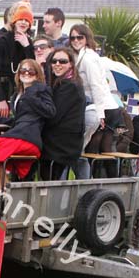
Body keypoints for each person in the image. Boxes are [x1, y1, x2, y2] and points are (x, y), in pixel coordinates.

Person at [0, 59, 55, 201]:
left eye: (30, 71)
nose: (26, 73)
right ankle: (4, 189)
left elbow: (51, 111)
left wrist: (31, 96)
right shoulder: (17, 94)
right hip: (19, 133)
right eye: (23, 70)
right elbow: (18, 120)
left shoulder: (40, 89)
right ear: (18, 73)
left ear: (37, 74)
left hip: (28, 138)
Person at [69, 24, 120, 178]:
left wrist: (100, 113)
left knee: (81, 150)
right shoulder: (83, 56)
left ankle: (102, 182)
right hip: (102, 106)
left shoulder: (88, 58)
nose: (76, 40)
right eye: (72, 37)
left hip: (101, 107)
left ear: (87, 38)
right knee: (89, 150)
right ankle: (105, 181)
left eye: (80, 37)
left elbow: (96, 86)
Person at [39, 48, 85, 180]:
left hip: (60, 146)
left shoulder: (69, 86)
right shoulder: (61, 82)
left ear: (70, 64)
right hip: (57, 142)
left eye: (62, 61)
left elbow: (53, 115)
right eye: (54, 61)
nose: (57, 64)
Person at [0, 0, 35, 118]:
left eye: (27, 20)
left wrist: (27, 47)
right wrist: (1, 99)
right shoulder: (2, 40)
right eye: (21, 19)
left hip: (19, 90)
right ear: (14, 21)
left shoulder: (28, 42)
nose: (23, 23)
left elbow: (33, 68)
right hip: (1, 89)